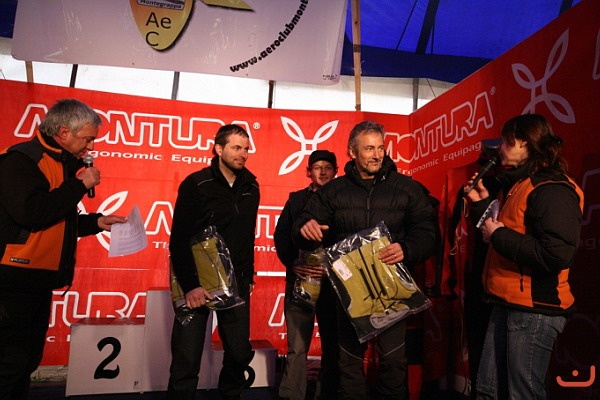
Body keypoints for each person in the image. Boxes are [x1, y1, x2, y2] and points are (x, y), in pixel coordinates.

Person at [293, 120, 439, 400]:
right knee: (349, 362)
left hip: (392, 288)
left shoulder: (406, 188)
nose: (377, 155)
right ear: (352, 152)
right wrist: (305, 228)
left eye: (380, 148)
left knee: (394, 361)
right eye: (369, 148)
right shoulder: (332, 191)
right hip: (349, 291)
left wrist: (407, 248)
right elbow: (303, 224)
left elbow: (428, 231)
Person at [0, 98, 127, 400]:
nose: (91, 147)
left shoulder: (63, 164)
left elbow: (57, 221)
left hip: (37, 280)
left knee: (26, 361)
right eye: (88, 138)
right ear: (64, 132)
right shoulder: (21, 160)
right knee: (9, 362)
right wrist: (79, 185)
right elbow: (32, 213)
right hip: (11, 280)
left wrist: (97, 222)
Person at [464, 114, 584, 400]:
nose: (500, 149)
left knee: (522, 394)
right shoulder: (520, 185)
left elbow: (557, 253)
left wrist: (498, 235)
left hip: (534, 310)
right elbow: (502, 234)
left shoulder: (552, 188)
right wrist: (481, 205)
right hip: (506, 302)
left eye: (506, 142)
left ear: (524, 144)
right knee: (489, 391)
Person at [167, 124, 260, 400]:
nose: (242, 154)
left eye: (246, 149)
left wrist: (248, 275)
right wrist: (191, 285)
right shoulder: (196, 184)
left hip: (237, 282)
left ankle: (230, 394)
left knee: (239, 353)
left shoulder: (252, 186)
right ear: (219, 149)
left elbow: (247, 234)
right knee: (186, 357)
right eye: (236, 147)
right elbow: (179, 239)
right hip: (197, 282)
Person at [275, 150, 340, 400]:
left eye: (327, 167)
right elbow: (281, 236)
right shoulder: (296, 200)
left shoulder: (344, 198)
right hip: (300, 281)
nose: (322, 172)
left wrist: (334, 268)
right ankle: (292, 395)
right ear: (308, 172)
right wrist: (293, 264)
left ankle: (328, 394)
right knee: (297, 345)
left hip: (334, 284)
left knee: (333, 344)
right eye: (317, 167)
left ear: (336, 171)